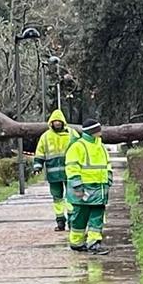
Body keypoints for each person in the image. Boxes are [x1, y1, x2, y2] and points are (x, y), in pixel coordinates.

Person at [64, 119, 112, 255]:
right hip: (83, 190)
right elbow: (72, 167)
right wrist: (77, 186)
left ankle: (94, 243)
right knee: (80, 218)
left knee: (97, 218)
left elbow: (107, 164)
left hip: (99, 190)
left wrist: (109, 178)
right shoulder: (78, 146)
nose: (101, 132)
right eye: (98, 130)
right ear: (93, 131)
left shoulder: (101, 146)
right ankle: (76, 243)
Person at [32, 109, 77, 231]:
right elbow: (40, 153)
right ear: (51, 123)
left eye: (59, 121)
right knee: (57, 198)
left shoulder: (72, 134)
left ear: (63, 122)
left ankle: (73, 221)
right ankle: (60, 221)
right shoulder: (45, 137)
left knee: (71, 198)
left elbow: (80, 149)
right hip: (53, 174)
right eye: (55, 121)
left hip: (70, 172)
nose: (57, 123)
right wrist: (37, 166)